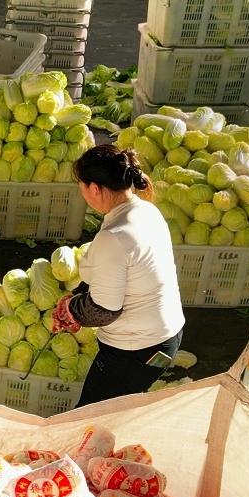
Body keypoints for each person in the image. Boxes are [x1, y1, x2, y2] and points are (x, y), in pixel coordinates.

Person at [51, 144, 186, 408]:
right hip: (165, 339)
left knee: (89, 417)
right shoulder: (146, 211)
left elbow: (104, 311)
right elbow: (123, 273)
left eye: (81, 186)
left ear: (94, 188)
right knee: (116, 411)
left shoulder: (113, 237)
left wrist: (70, 310)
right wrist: (77, 296)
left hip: (135, 350)